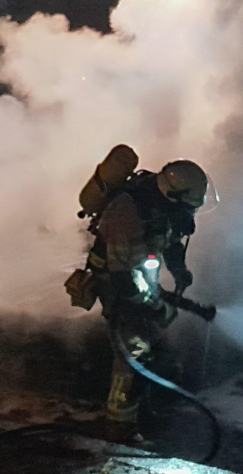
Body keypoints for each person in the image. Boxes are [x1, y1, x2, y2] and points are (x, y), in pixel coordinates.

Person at [73, 154, 210, 436]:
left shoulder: (165, 203)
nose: (189, 212)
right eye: (188, 205)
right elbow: (124, 280)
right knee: (134, 350)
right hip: (114, 280)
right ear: (174, 195)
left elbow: (170, 240)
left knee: (153, 337)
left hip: (135, 274)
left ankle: (148, 407)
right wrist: (155, 306)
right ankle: (120, 424)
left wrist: (179, 270)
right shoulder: (126, 213)